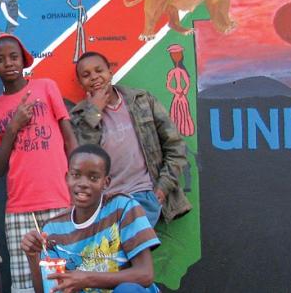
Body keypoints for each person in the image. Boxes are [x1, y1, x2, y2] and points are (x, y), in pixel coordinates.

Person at [0, 33, 78, 293]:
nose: (9, 63)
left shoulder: (46, 87)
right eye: (1, 59)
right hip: (20, 208)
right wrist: (13, 126)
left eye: (14, 56)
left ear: (24, 59)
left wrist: (76, 184)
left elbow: (70, 139)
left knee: (66, 279)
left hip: (59, 199)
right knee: (26, 284)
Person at [70, 51, 191, 226]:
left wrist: (163, 187)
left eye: (99, 70)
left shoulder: (141, 100)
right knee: (121, 252)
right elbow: (83, 159)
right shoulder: (78, 117)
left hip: (144, 194)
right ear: (81, 83)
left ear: (110, 72)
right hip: (105, 202)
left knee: (131, 248)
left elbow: (175, 144)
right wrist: (93, 113)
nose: (94, 77)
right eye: (86, 75)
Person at [21, 144, 160, 293]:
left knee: (128, 289)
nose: (83, 184)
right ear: (67, 178)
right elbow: (49, 290)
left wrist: (86, 279)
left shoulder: (123, 207)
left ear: (106, 182)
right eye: (76, 175)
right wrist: (32, 256)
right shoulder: (52, 229)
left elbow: (145, 274)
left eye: (93, 178)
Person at [165, 44, 194, 136]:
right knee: (176, 113)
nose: (176, 57)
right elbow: (168, 85)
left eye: (178, 54)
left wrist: (184, 91)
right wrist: (176, 92)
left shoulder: (183, 71)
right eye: (174, 55)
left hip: (181, 95)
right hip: (177, 95)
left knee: (184, 112)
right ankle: (176, 131)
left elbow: (188, 83)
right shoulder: (171, 72)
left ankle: (185, 130)